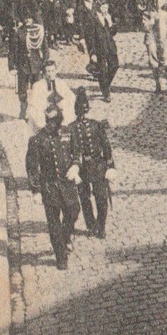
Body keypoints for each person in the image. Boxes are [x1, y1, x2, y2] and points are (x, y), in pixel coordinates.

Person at [25, 103, 81, 271]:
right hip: (49, 186)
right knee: (54, 223)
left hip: (67, 182)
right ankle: (60, 256)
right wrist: (35, 190)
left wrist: (76, 166)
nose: (52, 125)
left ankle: (65, 237)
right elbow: (32, 166)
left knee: (74, 211)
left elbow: (76, 152)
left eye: (55, 121)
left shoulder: (68, 133)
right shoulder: (37, 140)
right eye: (49, 121)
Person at [69, 87, 116, 238]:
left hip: (97, 165)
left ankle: (101, 225)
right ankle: (91, 224)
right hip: (82, 167)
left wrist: (110, 166)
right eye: (80, 112)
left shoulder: (96, 125)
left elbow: (106, 146)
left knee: (101, 197)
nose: (82, 115)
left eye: (84, 111)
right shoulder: (71, 128)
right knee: (84, 198)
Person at [26, 57, 76, 134]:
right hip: (44, 112)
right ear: (44, 73)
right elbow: (34, 102)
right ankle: (43, 130)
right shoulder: (38, 85)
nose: (50, 74)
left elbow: (71, 97)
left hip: (60, 111)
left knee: (70, 108)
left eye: (52, 71)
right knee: (34, 111)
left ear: (56, 71)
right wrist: (46, 107)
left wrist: (62, 104)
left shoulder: (61, 83)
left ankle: (64, 127)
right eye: (48, 71)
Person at [15, 10, 49, 119]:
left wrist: (45, 62)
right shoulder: (18, 32)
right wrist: (12, 66)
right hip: (23, 64)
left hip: (36, 64)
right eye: (25, 18)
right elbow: (13, 51)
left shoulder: (38, 30)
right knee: (22, 90)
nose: (27, 20)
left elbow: (45, 47)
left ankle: (36, 111)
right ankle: (23, 108)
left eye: (29, 18)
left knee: (37, 89)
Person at [142, 0, 167, 94]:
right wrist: (151, 20)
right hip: (152, 39)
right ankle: (158, 85)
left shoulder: (164, 14)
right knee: (154, 61)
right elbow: (145, 27)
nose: (160, 1)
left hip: (163, 40)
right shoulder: (147, 14)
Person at [86, 0, 119, 102]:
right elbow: (90, 37)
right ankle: (106, 93)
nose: (105, 9)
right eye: (103, 7)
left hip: (110, 46)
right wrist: (92, 53)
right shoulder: (92, 18)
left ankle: (105, 85)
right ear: (98, 7)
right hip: (99, 48)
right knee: (103, 70)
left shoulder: (107, 17)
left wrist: (110, 23)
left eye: (106, 7)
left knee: (115, 65)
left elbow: (113, 33)